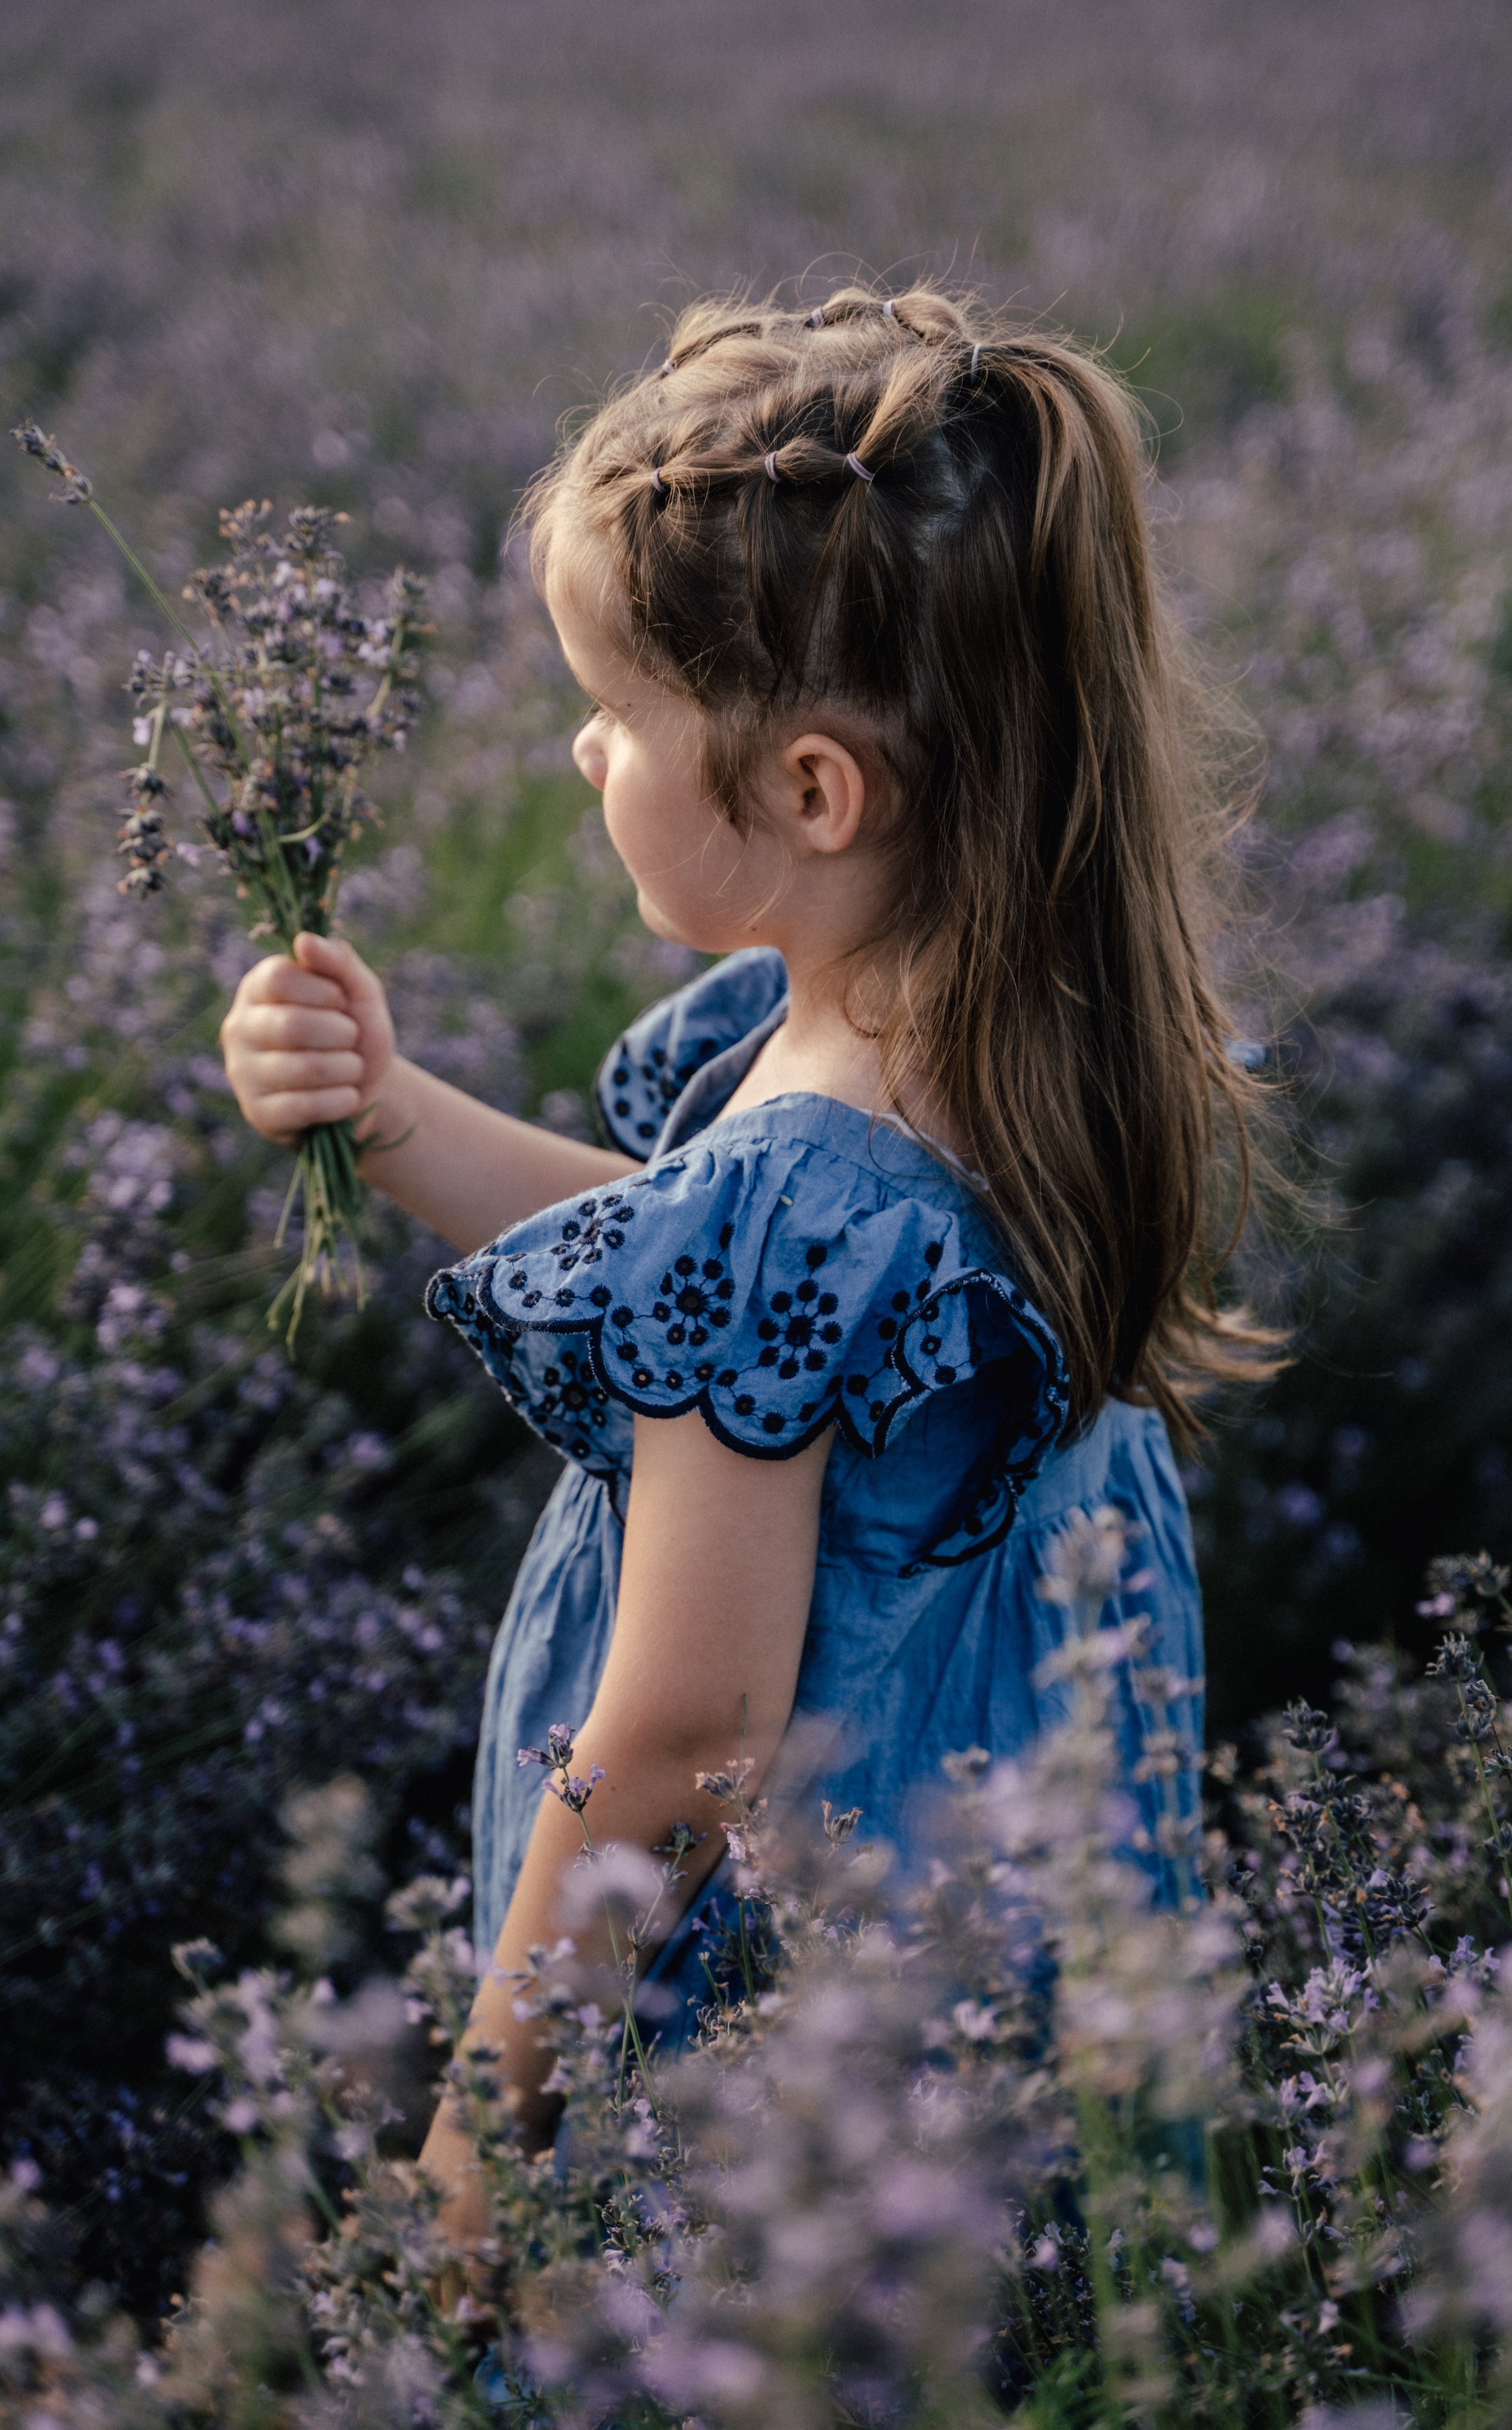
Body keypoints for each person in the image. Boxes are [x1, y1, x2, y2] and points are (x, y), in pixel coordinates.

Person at [218, 281, 1276, 2250]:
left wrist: (479, 2149)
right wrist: (396, 1117)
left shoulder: (804, 1175)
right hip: (993, 1938)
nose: (575, 755)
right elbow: (710, 1280)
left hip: (765, 2029)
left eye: (616, 715)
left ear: (810, 790)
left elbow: (681, 1742)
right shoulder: (1015, 1036)